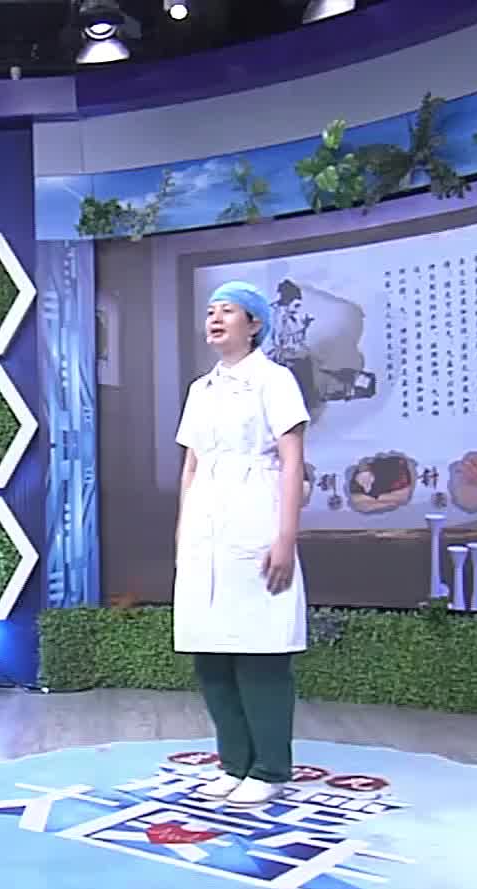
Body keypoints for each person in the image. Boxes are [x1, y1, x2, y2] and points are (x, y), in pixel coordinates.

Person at [174, 280, 310, 807]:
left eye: (227, 311)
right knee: (210, 652)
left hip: (256, 514)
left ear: (254, 324)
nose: (214, 318)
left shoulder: (274, 381)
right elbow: (191, 466)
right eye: (210, 311)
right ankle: (233, 762)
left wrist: (286, 538)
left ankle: (270, 767)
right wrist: (182, 533)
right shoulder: (199, 390)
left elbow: (293, 462)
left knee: (260, 650)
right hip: (204, 523)